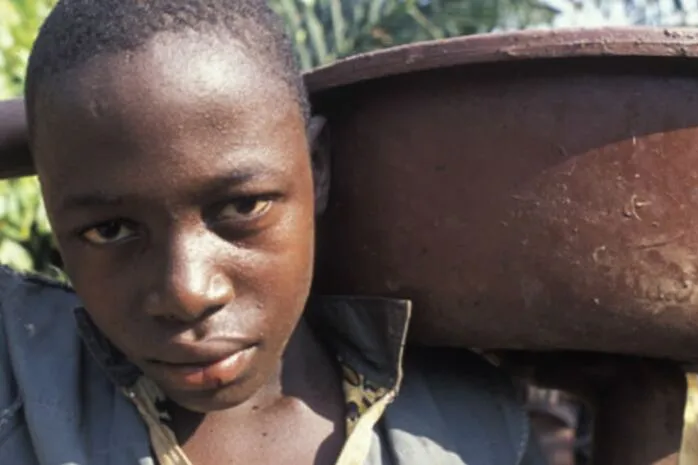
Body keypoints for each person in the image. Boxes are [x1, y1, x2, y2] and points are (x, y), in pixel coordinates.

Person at [0, 1, 545, 464]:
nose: (188, 294)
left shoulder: (472, 425)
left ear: (316, 168)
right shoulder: (22, 377)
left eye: (242, 205)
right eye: (111, 229)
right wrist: (65, 126)